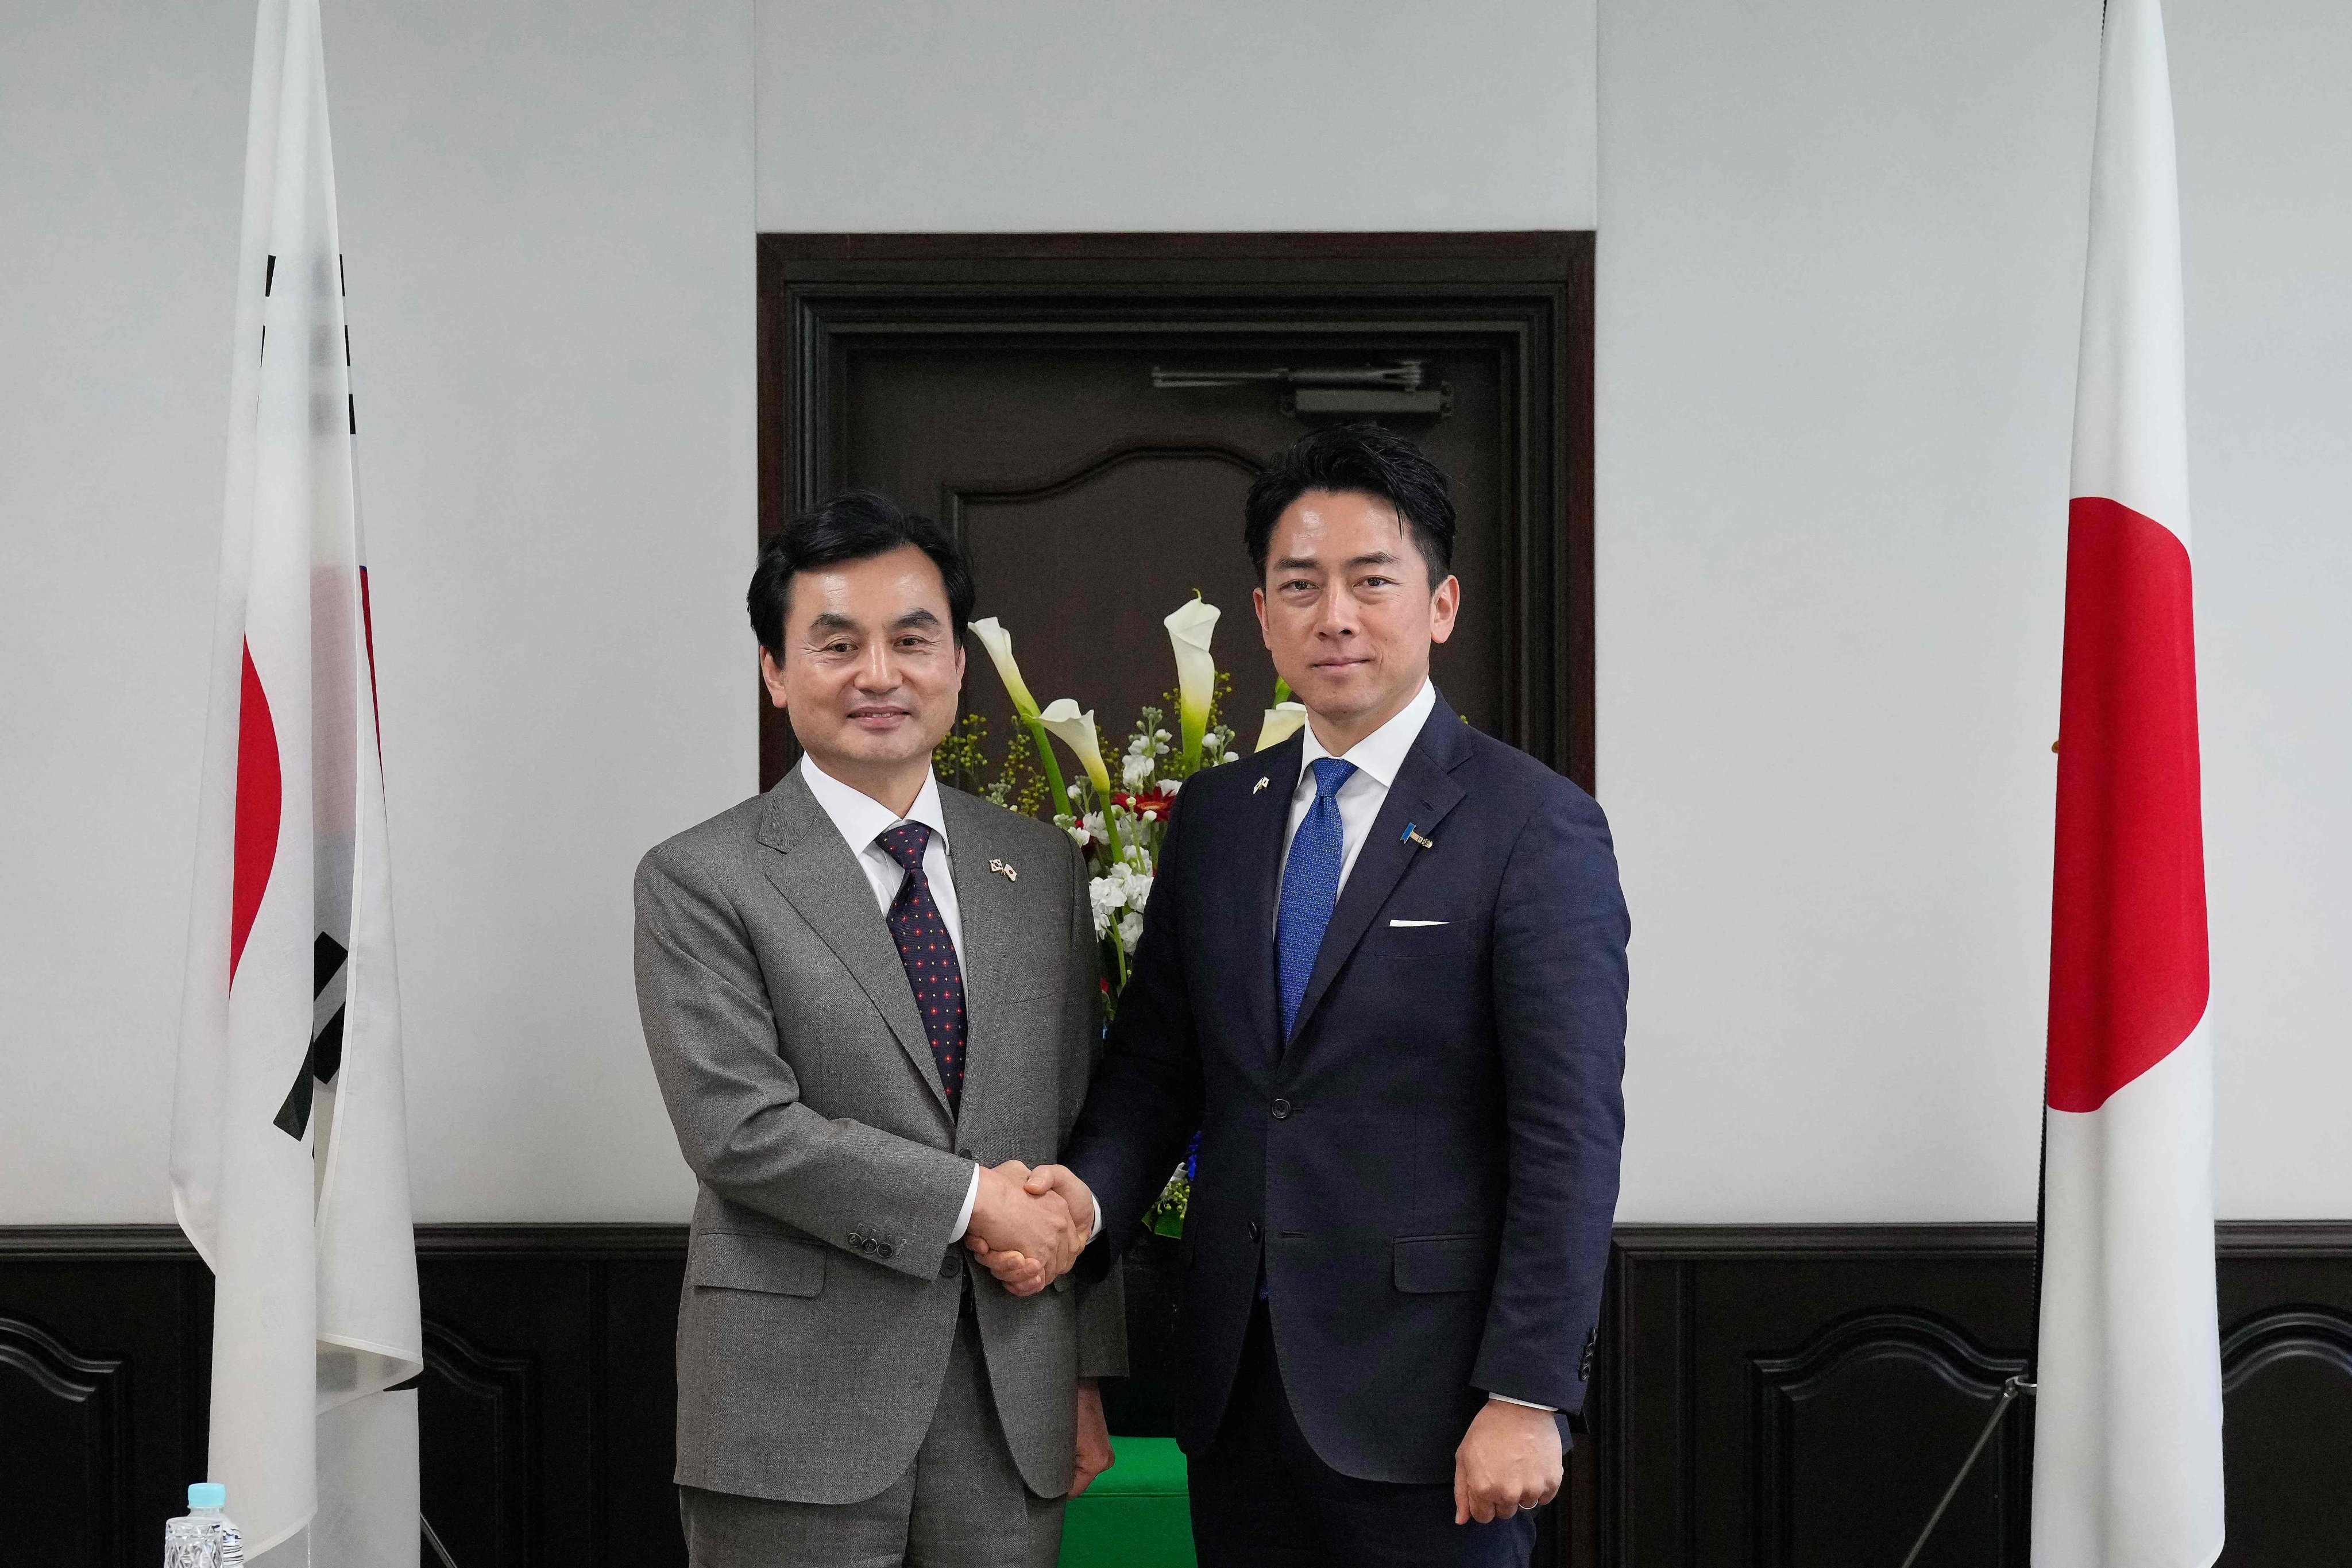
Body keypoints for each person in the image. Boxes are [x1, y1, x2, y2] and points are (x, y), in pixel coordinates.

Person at [983, 423, 1630, 1566]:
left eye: (1370, 580)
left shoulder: (1534, 826)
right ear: (1263, 612)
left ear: (1439, 604)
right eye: (1299, 585)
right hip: (1237, 1395)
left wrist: (1528, 1393)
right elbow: (1156, 1068)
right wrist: (1081, 1206)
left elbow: (1566, 1135)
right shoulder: (1217, 816)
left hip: (1435, 1409)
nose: (1333, 614)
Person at [633, 491, 1123, 1568]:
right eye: (836, 643)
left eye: (913, 640)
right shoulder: (701, 877)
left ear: (955, 663)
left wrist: (1083, 1372)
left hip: (1011, 1405)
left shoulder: (1039, 867)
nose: (879, 674)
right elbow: (740, 1129)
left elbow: (1075, 1122)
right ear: (774, 669)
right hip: (792, 1408)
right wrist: (973, 1198)